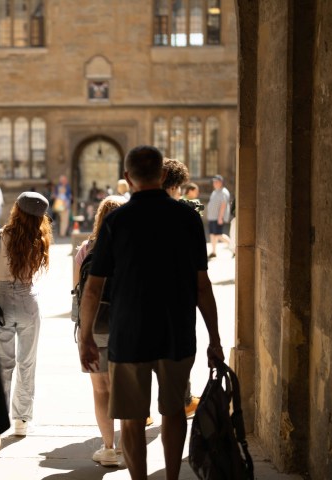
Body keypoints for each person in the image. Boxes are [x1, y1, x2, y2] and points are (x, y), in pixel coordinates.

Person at [78, 145, 224, 480]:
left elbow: (93, 288)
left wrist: (86, 337)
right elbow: (202, 284)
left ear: (127, 178)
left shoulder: (116, 221)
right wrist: (214, 339)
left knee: (130, 416)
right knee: (173, 411)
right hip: (177, 329)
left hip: (129, 333)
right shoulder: (187, 218)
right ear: (162, 176)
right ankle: (171, 477)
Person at [0, 192, 53, 451]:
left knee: (2, 365)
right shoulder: (41, 238)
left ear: (17, 210)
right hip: (28, 302)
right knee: (27, 362)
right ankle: (22, 420)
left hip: (0, 304)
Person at [73, 195, 128, 467]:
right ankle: (129, 450)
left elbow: (78, 293)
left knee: (100, 389)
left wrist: (82, 332)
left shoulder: (86, 248)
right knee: (127, 388)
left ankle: (108, 448)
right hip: (126, 326)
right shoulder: (132, 247)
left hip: (94, 327)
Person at [162, 159, 201, 417]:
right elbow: (201, 275)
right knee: (176, 364)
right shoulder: (188, 217)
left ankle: (141, 412)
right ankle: (184, 400)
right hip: (178, 302)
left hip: (140, 304)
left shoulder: (126, 215)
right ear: (177, 184)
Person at [207, 174, 232, 259]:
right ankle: (213, 252)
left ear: (221, 182)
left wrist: (220, 217)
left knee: (218, 235)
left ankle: (234, 246)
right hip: (212, 217)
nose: (214, 183)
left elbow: (223, 205)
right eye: (214, 182)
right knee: (212, 235)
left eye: (216, 182)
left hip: (218, 217)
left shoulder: (224, 192)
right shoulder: (215, 191)